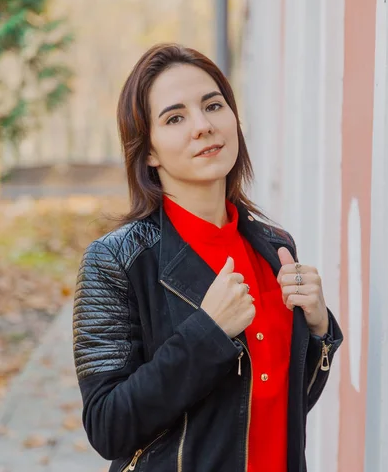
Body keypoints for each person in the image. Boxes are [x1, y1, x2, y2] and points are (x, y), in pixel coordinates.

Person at [72, 43, 343, 472]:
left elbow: (277, 404)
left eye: (213, 105)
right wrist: (207, 334)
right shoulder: (116, 261)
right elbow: (108, 426)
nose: (203, 126)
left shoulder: (275, 249)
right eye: (175, 117)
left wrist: (319, 330)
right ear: (148, 151)